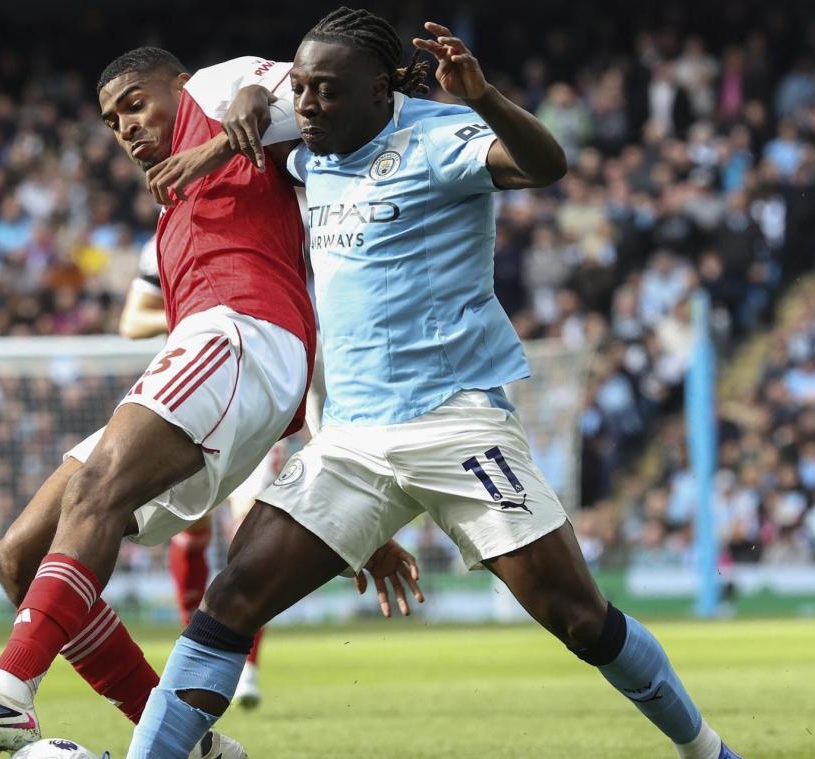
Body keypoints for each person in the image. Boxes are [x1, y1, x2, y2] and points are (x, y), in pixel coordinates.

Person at [126, 9, 741, 759]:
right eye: (300, 86)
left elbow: (545, 166)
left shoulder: (439, 137)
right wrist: (243, 114)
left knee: (581, 619)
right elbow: (258, 103)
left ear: (382, 91)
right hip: (351, 441)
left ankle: (708, 750)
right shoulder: (308, 153)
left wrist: (481, 97)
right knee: (229, 603)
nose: (308, 103)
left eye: (325, 90)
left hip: (457, 423)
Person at [0, 47, 420, 756]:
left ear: (177, 84)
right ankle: (188, 742)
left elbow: (307, 85)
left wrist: (247, 107)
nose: (127, 127)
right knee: (18, 555)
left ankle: (9, 688)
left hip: (241, 335)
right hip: (227, 357)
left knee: (98, 489)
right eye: (113, 121)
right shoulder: (174, 211)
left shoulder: (213, 86)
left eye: (136, 104)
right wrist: (355, 498)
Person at [119, 235, 269, 708]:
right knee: (193, 526)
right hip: (192, 399)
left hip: (258, 398)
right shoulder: (162, 241)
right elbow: (131, 321)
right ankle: (194, 652)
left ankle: (245, 664)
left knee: (251, 529)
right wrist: (203, 315)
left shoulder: (270, 224)